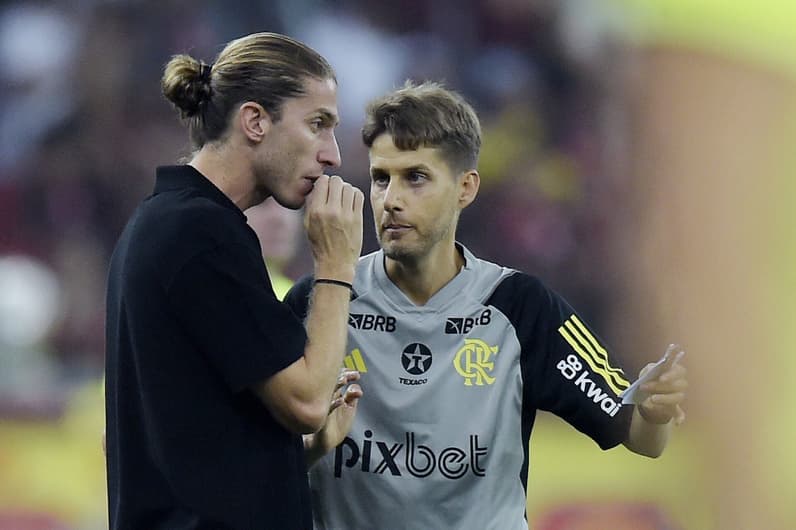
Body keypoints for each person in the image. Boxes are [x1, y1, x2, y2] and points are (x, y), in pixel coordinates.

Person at [284, 81, 688, 530]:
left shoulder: (520, 307)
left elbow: (638, 435)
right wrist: (314, 445)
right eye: (382, 178)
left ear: (465, 187)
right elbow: (255, 459)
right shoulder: (322, 298)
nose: (391, 200)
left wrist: (653, 411)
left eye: (416, 177)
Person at [104, 32, 364, 530]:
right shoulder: (202, 234)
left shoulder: (168, 222)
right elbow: (308, 400)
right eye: (317, 124)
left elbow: (199, 455)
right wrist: (335, 264)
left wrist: (304, 451)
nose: (332, 154)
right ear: (255, 121)